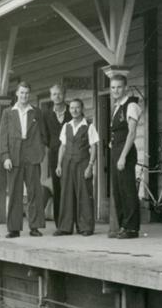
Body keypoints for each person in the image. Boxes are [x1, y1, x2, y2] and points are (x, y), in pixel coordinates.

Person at [0, 81, 47, 238]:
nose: (24, 96)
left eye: (27, 93)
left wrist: (40, 151)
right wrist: (5, 156)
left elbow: (43, 133)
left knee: (34, 191)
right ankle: (14, 228)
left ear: (29, 94)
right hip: (14, 155)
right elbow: (3, 137)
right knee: (14, 192)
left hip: (32, 155)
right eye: (22, 93)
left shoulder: (36, 112)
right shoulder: (8, 113)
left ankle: (34, 226)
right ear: (17, 94)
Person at [54, 99, 99, 236]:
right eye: (72, 108)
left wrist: (90, 166)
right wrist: (59, 164)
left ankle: (85, 227)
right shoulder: (66, 126)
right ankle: (65, 227)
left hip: (82, 162)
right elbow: (63, 146)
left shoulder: (89, 126)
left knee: (84, 194)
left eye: (77, 108)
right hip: (67, 163)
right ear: (69, 110)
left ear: (82, 108)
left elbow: (94, 146)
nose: (74, 110)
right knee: (66, 194)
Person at [109, 74, 141, 239]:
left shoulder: (131, 105)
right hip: (116, 149)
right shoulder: (117, 106)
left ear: (126, 87)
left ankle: (132, 228)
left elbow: (132, 133)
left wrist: (122, 157)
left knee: (128, 189)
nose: (116, 90)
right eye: (113, 87)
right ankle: (123, 225)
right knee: (118, 190)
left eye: (119, 87)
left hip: (125, 152)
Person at [42, 84, 72, 222]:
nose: (57, 96)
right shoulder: (47, 114)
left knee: (71, 185)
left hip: (72, 153)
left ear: (64, 94)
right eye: (54, 94)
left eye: (59, 93)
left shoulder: (72, 111)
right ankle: (59, 221)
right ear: (50, 96)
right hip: (54, 154)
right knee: (57, 185)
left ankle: (72, 219)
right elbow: (45, 135)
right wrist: (54, 145)